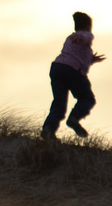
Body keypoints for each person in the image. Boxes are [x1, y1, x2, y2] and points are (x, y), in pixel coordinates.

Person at [42, 11, 105, 139]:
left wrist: (92, 59)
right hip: (72, 71)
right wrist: (81, 37)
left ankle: (48, 129)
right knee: (87, 98)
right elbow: (86, 38)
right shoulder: (85, 35)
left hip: (57, 68)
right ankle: (74, 118)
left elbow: (76, 55)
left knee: (59, 103)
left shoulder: (70, 39)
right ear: (88, 26)